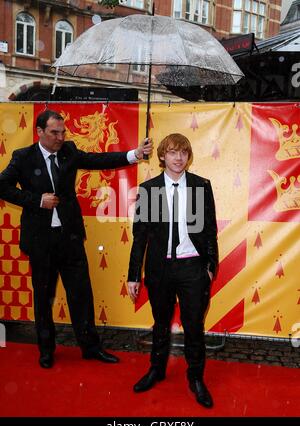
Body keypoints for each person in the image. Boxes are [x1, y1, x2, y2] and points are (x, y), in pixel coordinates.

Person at [0, 109, 152, 369]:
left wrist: (134, 154)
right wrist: (37, 200)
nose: (60, 137)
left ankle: (91, 348)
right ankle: (46, 350)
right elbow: (1, 186)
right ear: (39, 133)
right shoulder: (23, 157)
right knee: (44, 297)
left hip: (70, 238)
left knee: (81, 295)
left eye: (62, 132)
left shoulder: (69, 150)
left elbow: (97, 159)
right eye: (54, 133)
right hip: (40, 241)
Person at [127, 133, 218, 408]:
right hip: (160, 269)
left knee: (194, 326)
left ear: (188, 157)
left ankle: (196, 378)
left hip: (192, 267)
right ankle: (156, 369)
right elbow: (140, 236)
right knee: (161, 323)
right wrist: (133, 275)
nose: (178, 158)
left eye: (183, 153)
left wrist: (211, 266)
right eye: (172, 152)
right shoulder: (149, 189)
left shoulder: (201, 186)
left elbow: (211, 230)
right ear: (162, 156)